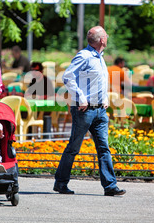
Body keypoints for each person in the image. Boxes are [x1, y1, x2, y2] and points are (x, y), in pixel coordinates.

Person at [54, 26, 126, 196]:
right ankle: (60, 183)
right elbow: (67, 76)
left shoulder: (100, 57)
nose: (107, 37)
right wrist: (80, 97)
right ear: (102, 40)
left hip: (100, 111)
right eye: (106, 36)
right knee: (73, 148)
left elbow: (98, 82)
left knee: (104, 148)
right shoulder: (84, 56)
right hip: (84, 111)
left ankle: (110, 186)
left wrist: (105, 99)